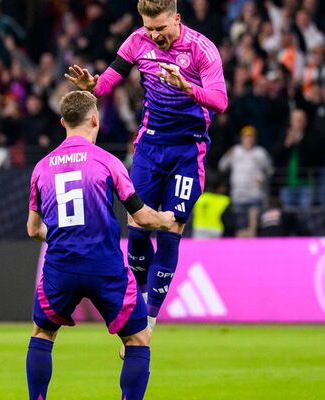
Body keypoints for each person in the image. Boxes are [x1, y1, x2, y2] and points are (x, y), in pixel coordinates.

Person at [64, 0, 228, 329]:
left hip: (186, 149)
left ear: (177, 19)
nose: (155, 35)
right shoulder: (137, 41)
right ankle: (138, 298)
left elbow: (220, 100)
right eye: (149, 28)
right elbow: (108, 82)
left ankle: (149, 321)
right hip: (149, 147)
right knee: (137, 231)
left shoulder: (201, 50)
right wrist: (92, 87)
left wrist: (187, 86)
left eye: (161, 29)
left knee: (170, 227)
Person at [26, 91, 176, 400]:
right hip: (104, 267)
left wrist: (59, 234)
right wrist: (166, 219)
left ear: (63, 122)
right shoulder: (108, 162)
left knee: (42, 334)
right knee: (138, 339)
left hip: (60, 266)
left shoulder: (41, 168)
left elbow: (32, 229)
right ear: (95, 119)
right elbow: (143, 217)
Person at [218, 125, 273, 211]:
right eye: (246, 137)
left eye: (251, 137)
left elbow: (270, 171)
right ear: (241, 138)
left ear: (255, 138)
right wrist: (228, 154)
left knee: (253, 223)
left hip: (255, 195)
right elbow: (222, 166)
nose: (249, 139)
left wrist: (263, 179)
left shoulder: (261, 152)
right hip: (238, 195)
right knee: (239, 222)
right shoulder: (235, 151)